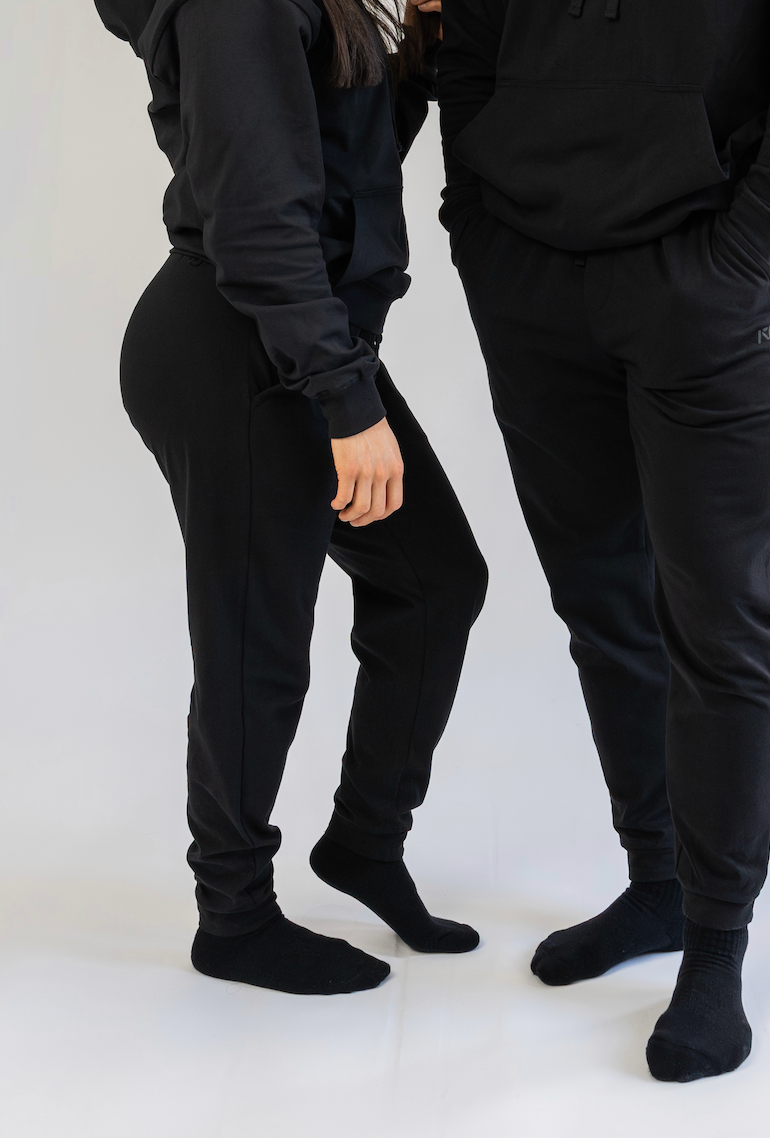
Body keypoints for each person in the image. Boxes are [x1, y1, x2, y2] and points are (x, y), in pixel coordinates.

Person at [438, 0, 770, 1078]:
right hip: (529, 278)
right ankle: (656, 883)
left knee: (719, 623)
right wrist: (477, 219)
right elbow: (467, 30)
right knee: (599, 599)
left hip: (701, 282)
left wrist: (748, 241)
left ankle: (716, 947)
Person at [94, 0, 488, 996]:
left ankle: (364, 841)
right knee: (255, 643)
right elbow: (258, 217)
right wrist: (348, 403)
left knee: (436, 579)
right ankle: (233, 916)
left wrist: (417, 58)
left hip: (300, 343)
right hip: (234, 348)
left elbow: (340, 172)